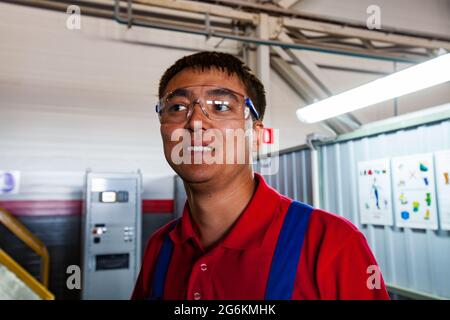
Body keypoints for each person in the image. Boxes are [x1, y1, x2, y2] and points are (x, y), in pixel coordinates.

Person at [131, 51, 390, 300]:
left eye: (221, 106)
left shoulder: (332, 244)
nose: (196, 122)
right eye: (177, 106)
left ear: (255, 135)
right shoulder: (160, 248)